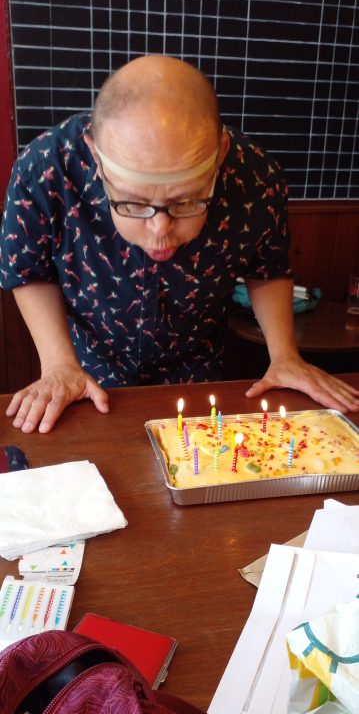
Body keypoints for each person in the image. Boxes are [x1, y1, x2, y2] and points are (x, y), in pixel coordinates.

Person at [0, 55, 358, 434]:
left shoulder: (255, 176)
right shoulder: (46, 167)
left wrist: (285, 355)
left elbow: (266, 268)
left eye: (186, 202)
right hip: (85, 374)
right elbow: (29, 270)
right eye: (133, 203)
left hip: (198, 373)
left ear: (218, 156)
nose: (160, 230)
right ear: (97, 160)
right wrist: (58, 365)